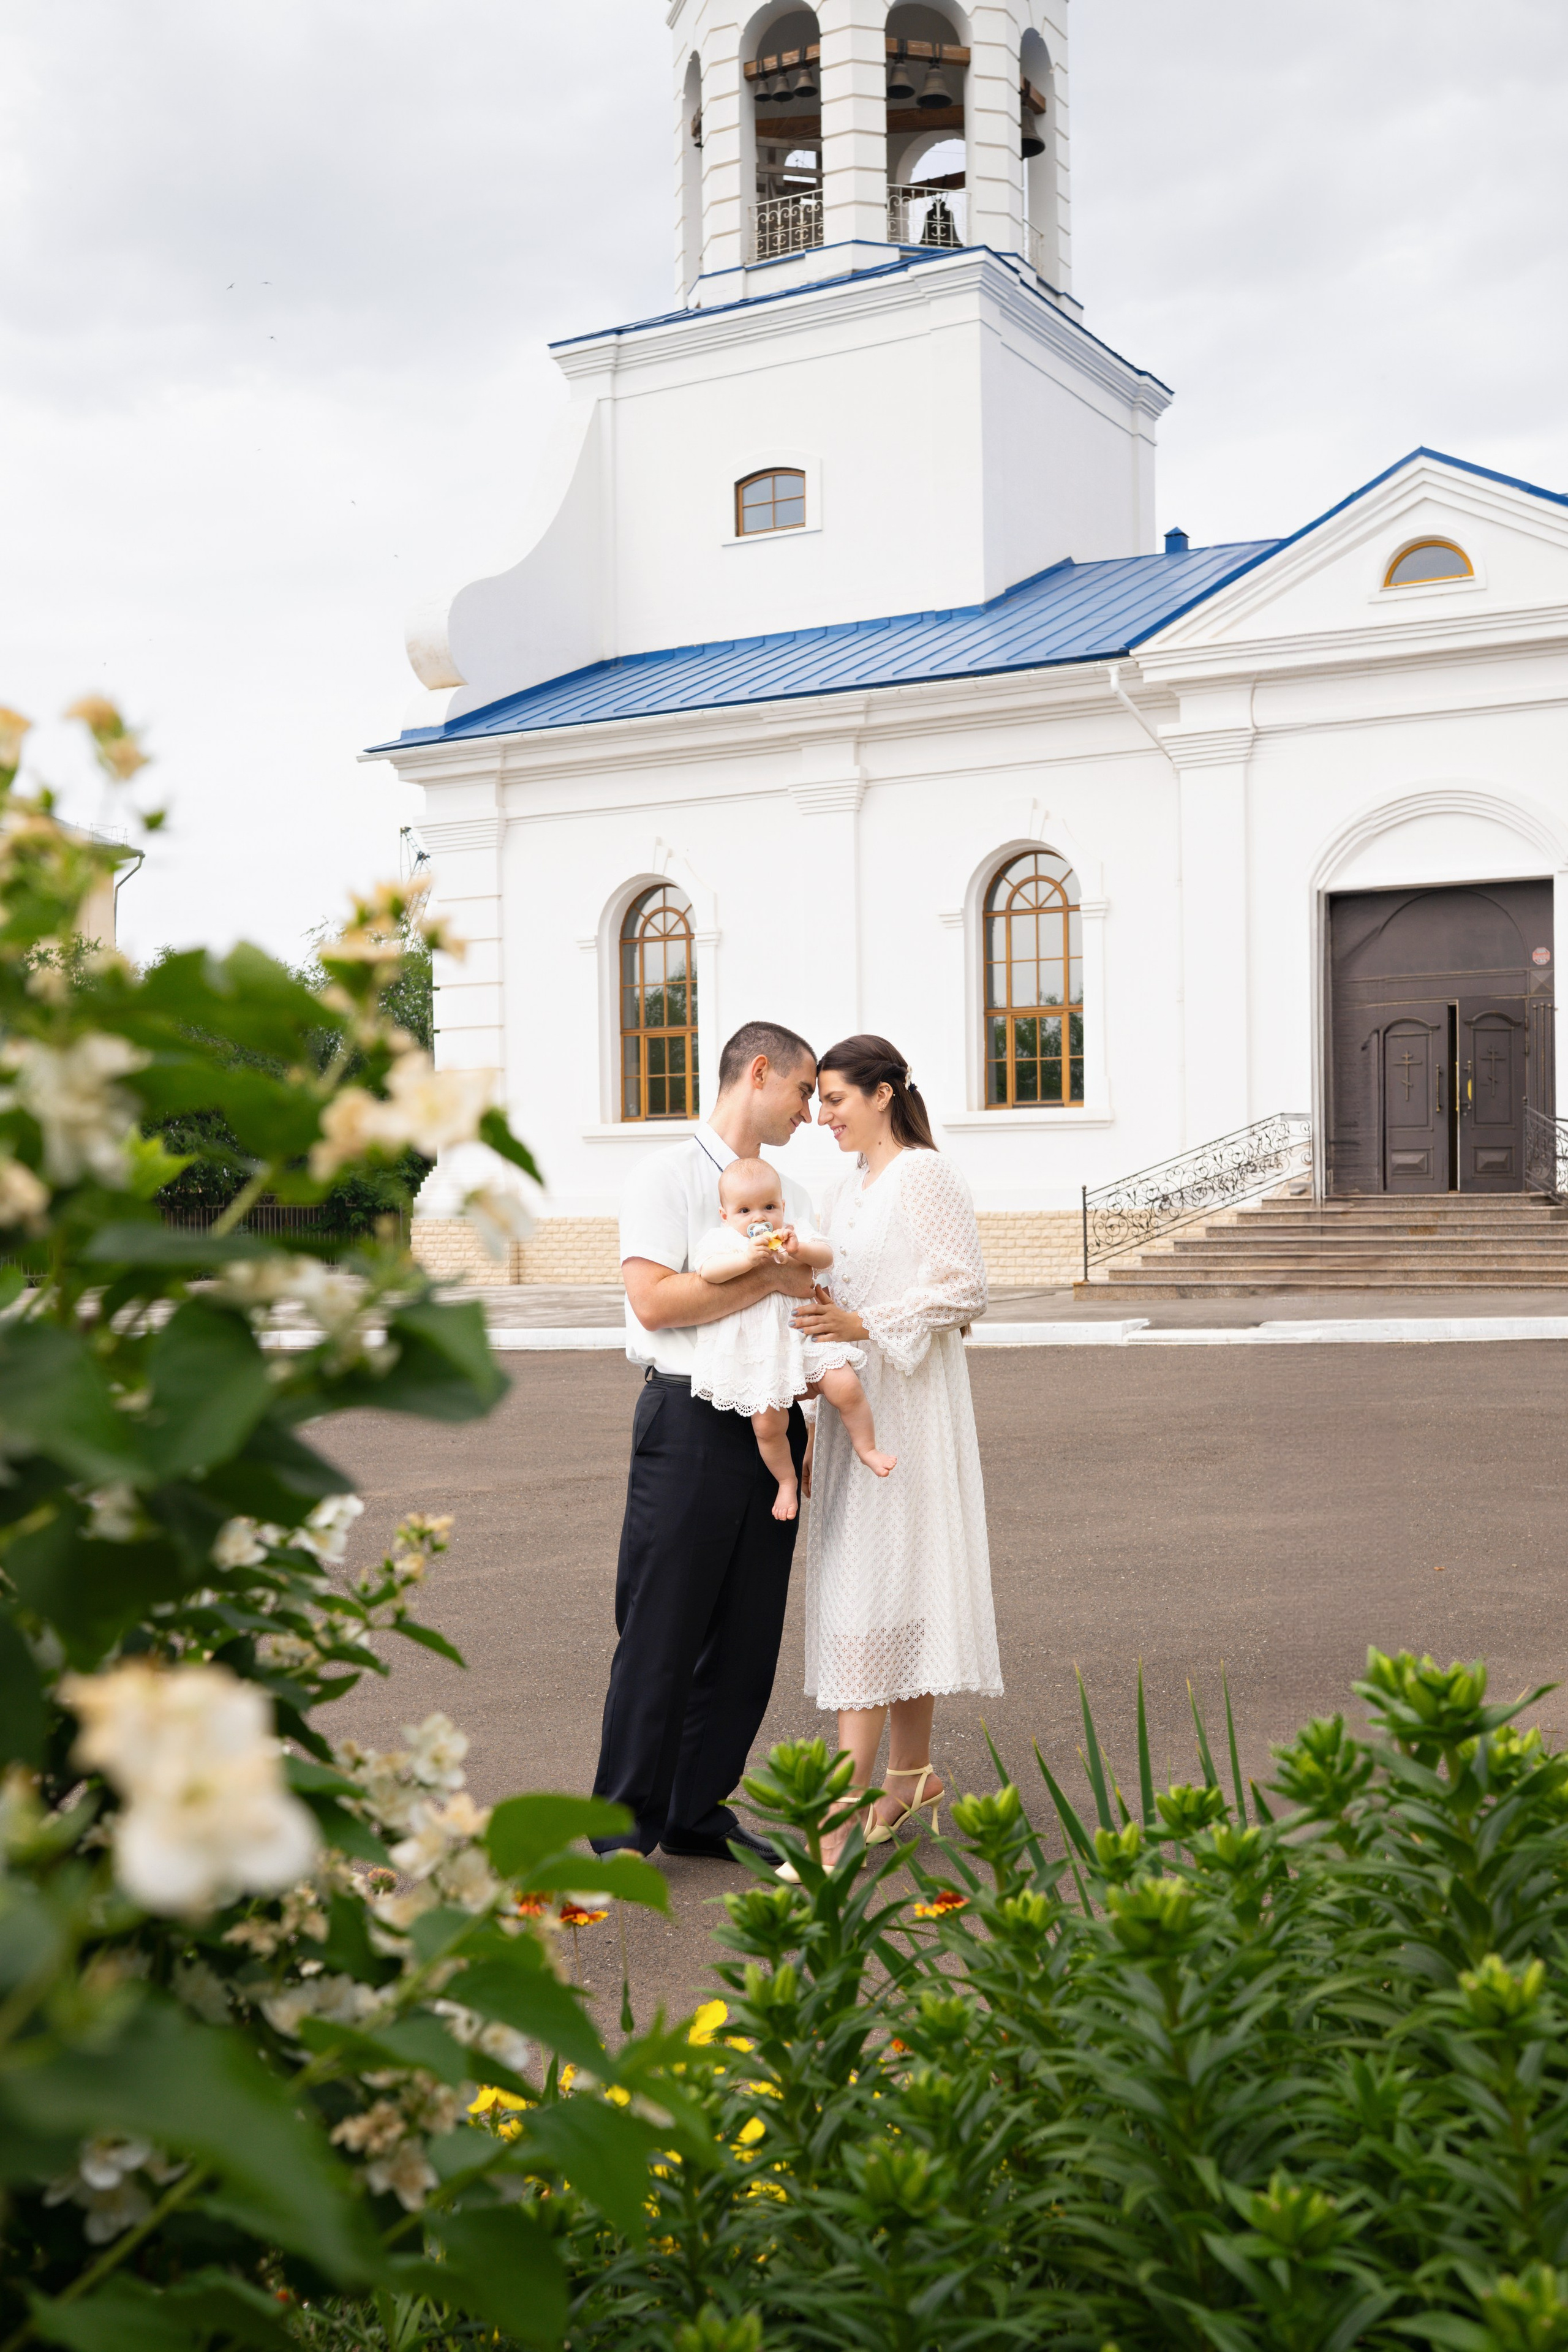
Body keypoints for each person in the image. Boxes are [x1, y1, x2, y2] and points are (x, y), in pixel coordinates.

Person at [591, 1020, 820, 1863]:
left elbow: (804, 1300)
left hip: (769, 1421)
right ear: (758, 1072)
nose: (809, 1109)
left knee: (749, 1637)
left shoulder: (786, 1189)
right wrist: (766, 1274)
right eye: (803, 1089)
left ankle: (697, 1812)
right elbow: (656, 1302)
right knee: (661, 1630)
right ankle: (621, 1830)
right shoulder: (665, 1174)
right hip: (686, 1418)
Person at [788, 1033, 1001, 1871]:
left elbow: (965, 1286)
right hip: (856, 1410)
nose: (823, 1115)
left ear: (882, 1095)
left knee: (869, 1598)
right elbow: (836, 1292)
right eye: (820, 1100)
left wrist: (862, 1325)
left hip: (910, 1412)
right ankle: (910, 1776)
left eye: (835, 1099)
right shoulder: (847, 1187)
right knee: (886, 1589)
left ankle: (837, 1818)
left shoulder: (925, 1174)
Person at [692, 1155, 895, 1522]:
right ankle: (786, 1481)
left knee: (846, 1386)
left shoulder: (794, 1232)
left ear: (783, 1207)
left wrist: (799, 1248)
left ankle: (867, 1448)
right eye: (744, 1210)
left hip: (803, 1339)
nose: (759, 1218)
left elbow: (828, 1256)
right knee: (768, 1425)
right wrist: (747, 1260)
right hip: (759, 1352)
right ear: (725, 1216)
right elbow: (709, 1272)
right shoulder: (722, 1242)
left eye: (769, 1206)